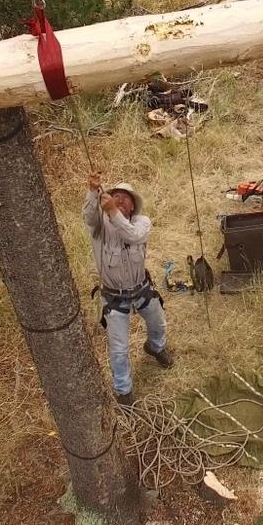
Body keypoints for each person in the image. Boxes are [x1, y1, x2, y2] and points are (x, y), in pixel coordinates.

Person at [84, 172, 173, 404]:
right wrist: (93, 191)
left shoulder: (142, 223)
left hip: (143, 290)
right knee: (119, 349)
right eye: (115, 196)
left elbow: (132, 235)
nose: (120, 199)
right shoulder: (99, 227)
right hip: (114, 298)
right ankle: (124, 391)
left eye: (125, 197)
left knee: (159, 325)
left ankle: (155, 348)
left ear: (133, 205)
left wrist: (113, 211)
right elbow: (88, 216)